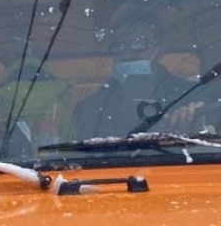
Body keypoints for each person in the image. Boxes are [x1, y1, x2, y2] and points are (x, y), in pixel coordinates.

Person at [73, 20, 205, 141]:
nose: (127, 54)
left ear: (159, 48)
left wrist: (191, 132)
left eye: (138, 44)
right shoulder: (90, 108)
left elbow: (213, 147)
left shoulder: (190, 95)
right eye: (118, 47)